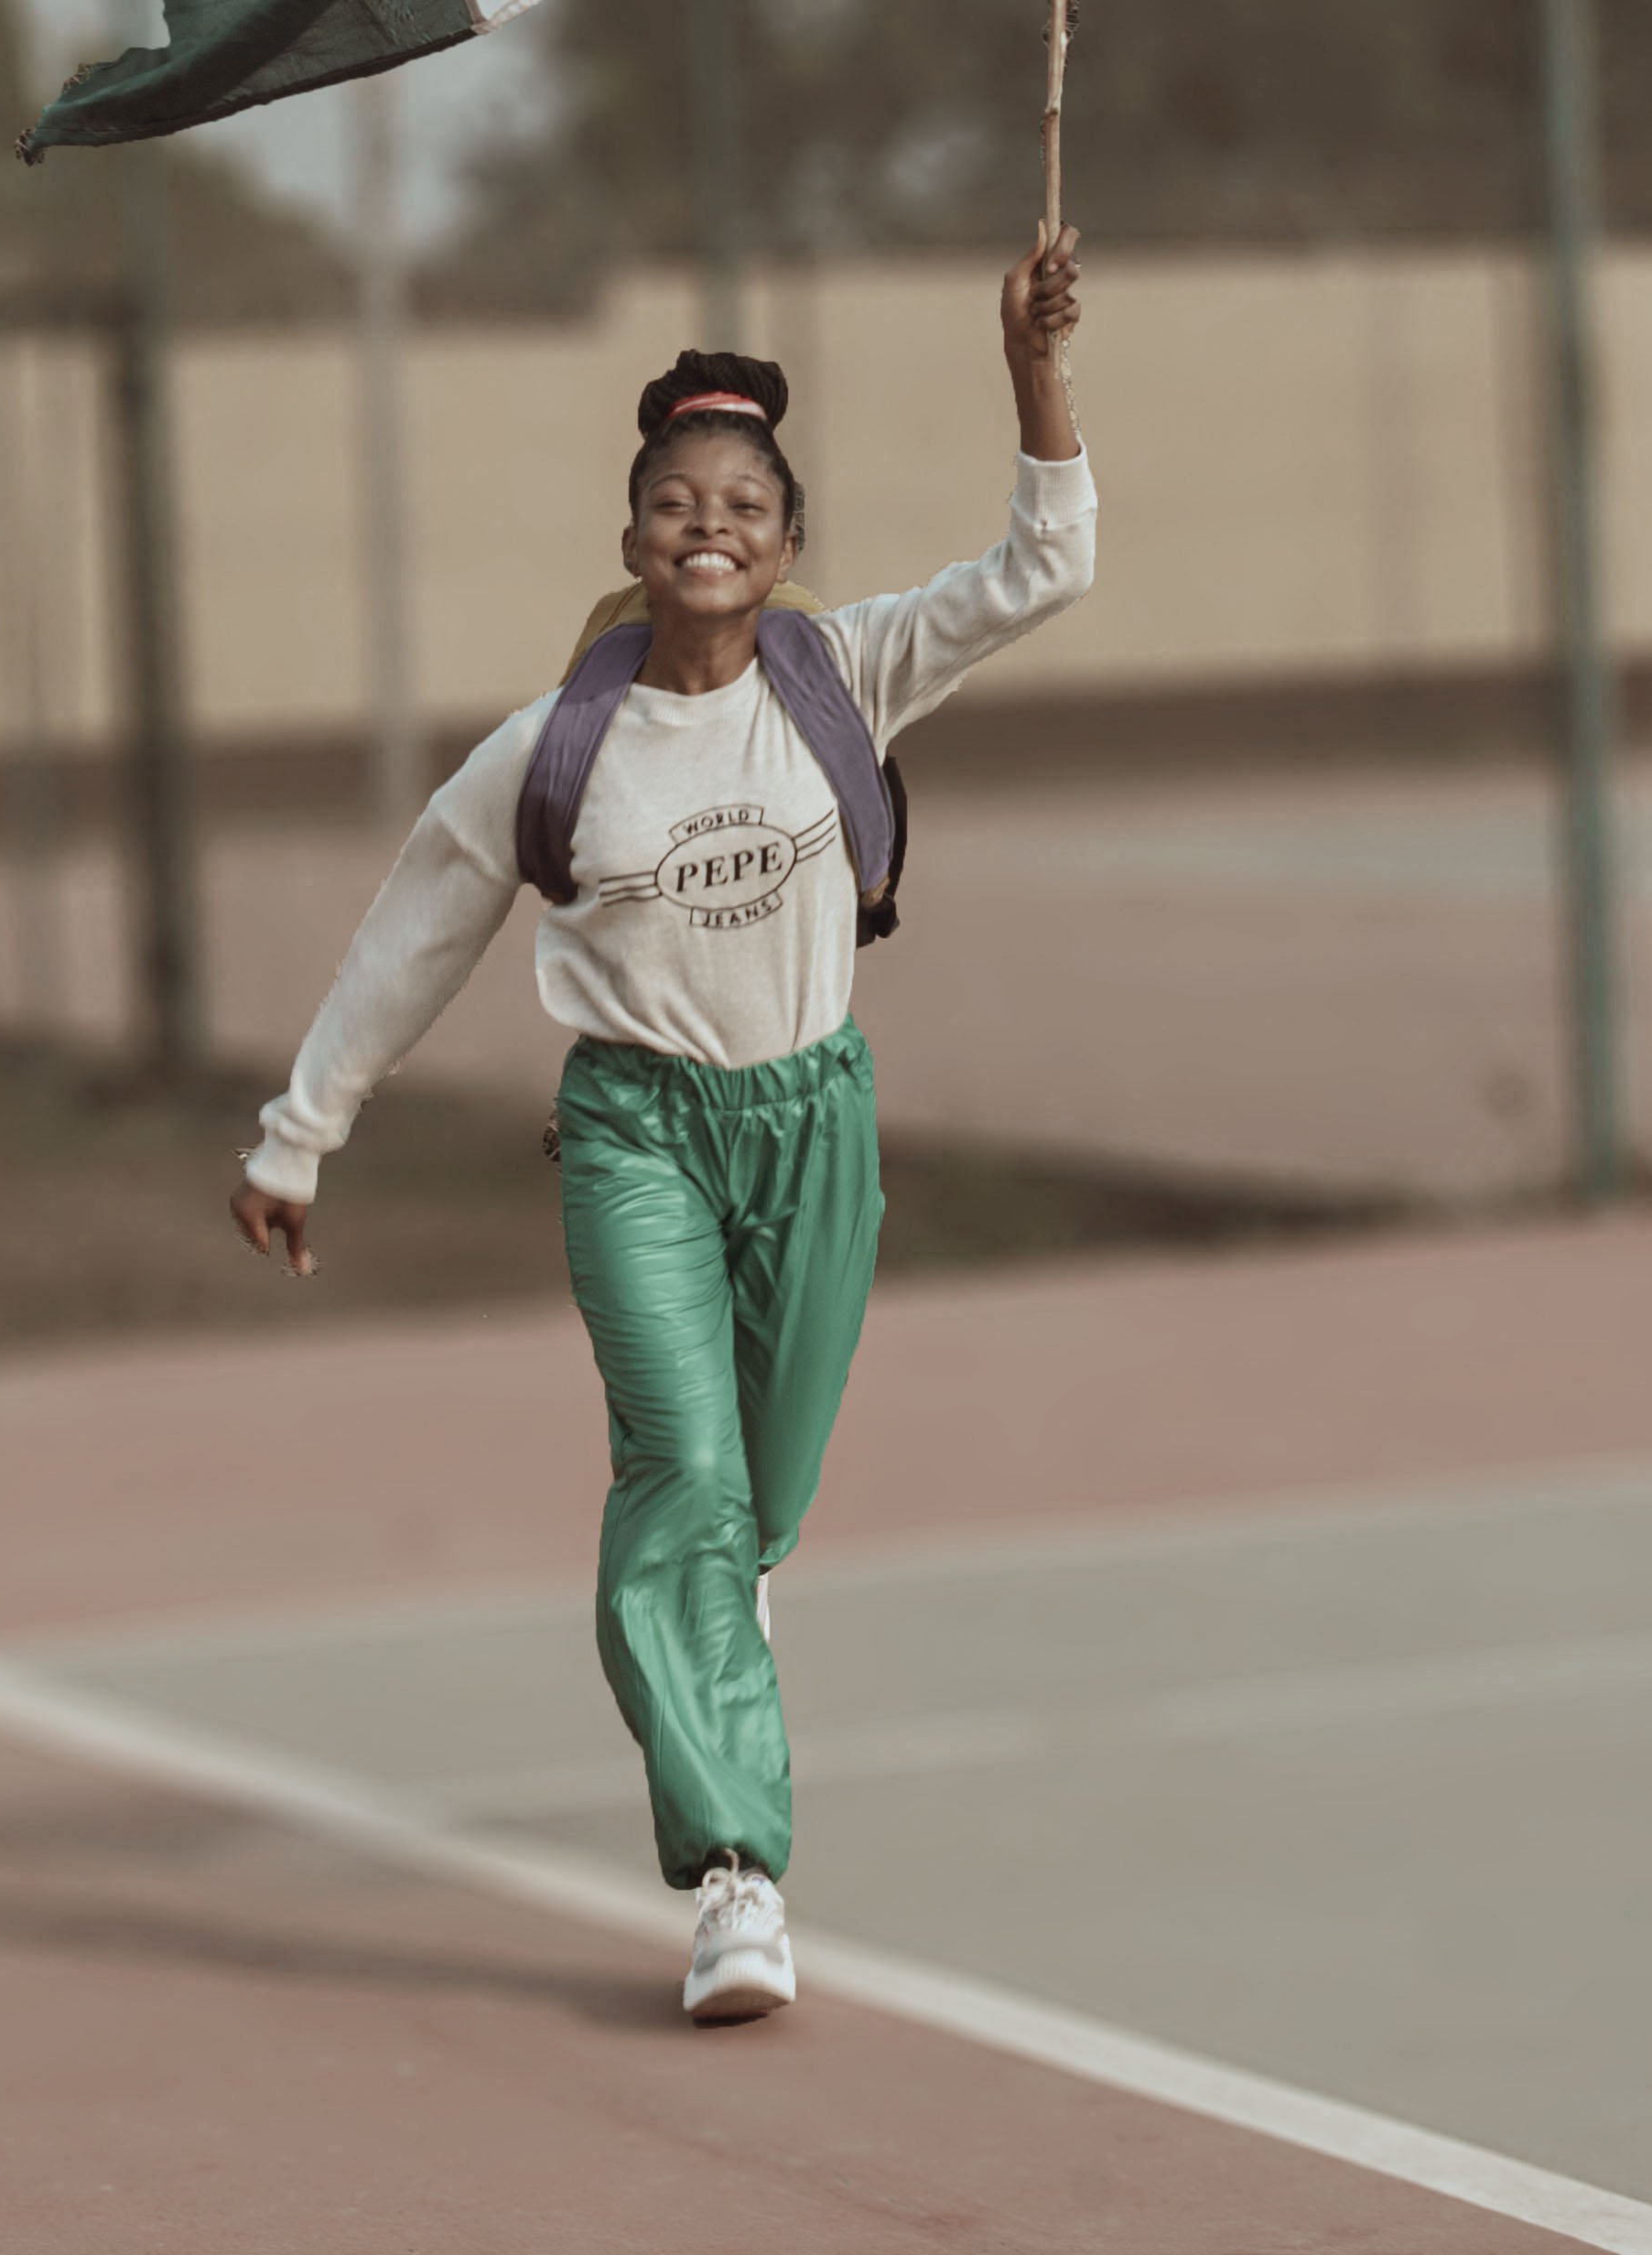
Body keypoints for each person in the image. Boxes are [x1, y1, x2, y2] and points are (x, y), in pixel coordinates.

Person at [232, 227, 1095, 2024]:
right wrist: (298, 1132)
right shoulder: (554, 751)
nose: (710, 524)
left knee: (758, 1513)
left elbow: (1046, 565)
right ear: (635, 542)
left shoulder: (840, 676)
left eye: (744, 505)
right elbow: (414, 933)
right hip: (632, 1134)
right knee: (681, 1479)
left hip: (811, 1123)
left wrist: (1031, 373)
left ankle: (721, 1630)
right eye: (676, 502)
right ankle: (733, 1875)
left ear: (784, 547)